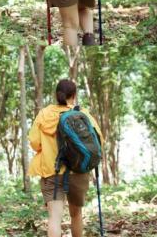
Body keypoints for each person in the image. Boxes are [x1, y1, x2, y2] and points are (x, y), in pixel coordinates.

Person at [28, 79, 103, 237]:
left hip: (52, 170)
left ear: (56, 95)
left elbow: (34, 143)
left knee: (55, 218)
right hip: (78, 170)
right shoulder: (82, 114)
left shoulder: (44, 114)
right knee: (76, 214)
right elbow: (99, 141)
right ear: (74, 95)